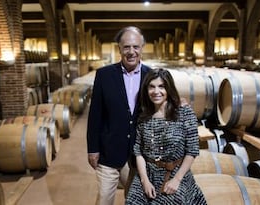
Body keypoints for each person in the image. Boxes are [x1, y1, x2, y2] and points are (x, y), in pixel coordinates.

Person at [87, 26, 151, 205]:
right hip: (109, 152)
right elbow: (95, 114)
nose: (131, 52)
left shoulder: (151, 75)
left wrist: (180, 103)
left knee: (135, 200)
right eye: (126, 47)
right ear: (119, 49)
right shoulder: (104, 75)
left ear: (142, 47)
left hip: (139, 155)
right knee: (104, 200)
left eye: (136, 47)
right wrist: (93, 148)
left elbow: (162, 105)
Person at [125, 68, 207, 204]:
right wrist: (144, 181)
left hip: (175, 172)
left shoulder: (184, 113)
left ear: (169, 89)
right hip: (148, 172)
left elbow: (192, 150)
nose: (156, 91)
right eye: (151, 87)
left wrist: (177, 180)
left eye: (161, 87)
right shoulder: (144, 116)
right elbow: (138, 151)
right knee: (132, 202)